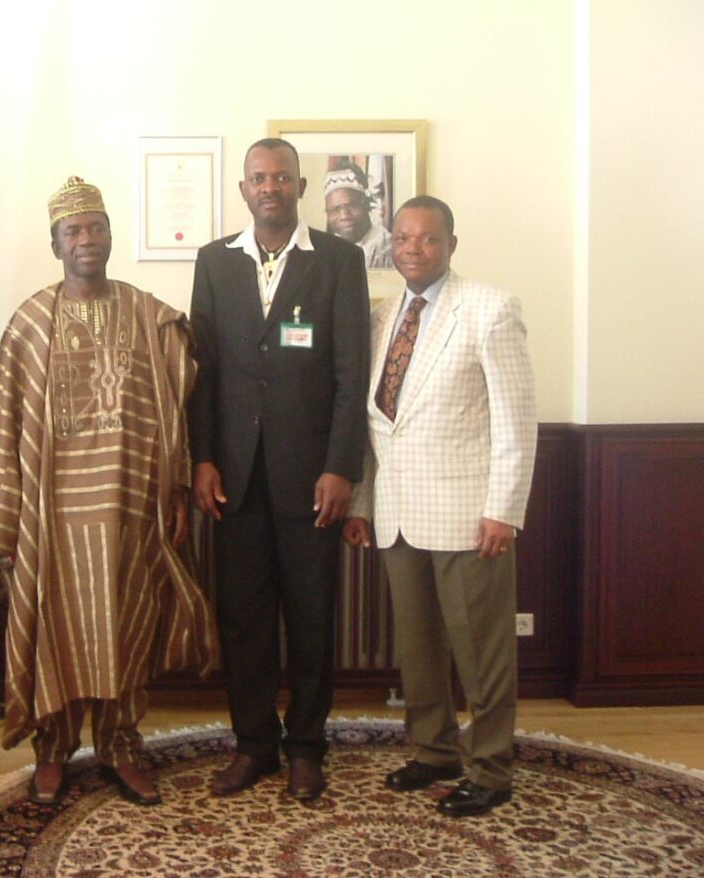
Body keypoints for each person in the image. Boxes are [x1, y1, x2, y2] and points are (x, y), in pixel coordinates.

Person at [0, 176, 219, 807]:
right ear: (56, 244)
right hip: (52, 513)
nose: (87, 239)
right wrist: (5, 514)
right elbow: (1, 418)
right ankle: (53, 750)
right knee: (56, 631)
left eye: (96, 228)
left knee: (126, 627)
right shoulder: (33, 321)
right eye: (73, 231)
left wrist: (174, 487)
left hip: (131, 506)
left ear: (111, 235)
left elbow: (176, 407)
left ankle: (121, 745)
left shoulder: (148, 315)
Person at [344, 195, 537, 817]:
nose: (413, 249)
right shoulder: (382, 317)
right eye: (402, 238)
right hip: (399, 514)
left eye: (427, 238)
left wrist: (503, 509)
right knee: (418, 648)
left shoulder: (489, 308)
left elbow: (515, 420)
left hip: (467, 517)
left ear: (451, 244)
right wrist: (363, 502)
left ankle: (491, 768)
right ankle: (433, 752)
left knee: (481, 653)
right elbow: (377, 425)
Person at [189, 139, 371, 800]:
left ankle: (306, 748)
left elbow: (352, 374)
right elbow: (202, 371)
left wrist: (340, 467)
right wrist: (202, 457)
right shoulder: (215, 261)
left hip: (311, 478)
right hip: (235, 479)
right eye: (260, 178)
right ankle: (254, 745)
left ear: (301, 187)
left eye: (283, 178)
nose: (271, 187)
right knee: (244, 619)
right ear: (244, 189)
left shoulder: (339, 261)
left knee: (312, 617)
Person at [323, 163, 393, 269]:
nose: (344, 216)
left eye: (351, 205)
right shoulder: (329, 247)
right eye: (335, 209)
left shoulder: (386, 247)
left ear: (366, 204)